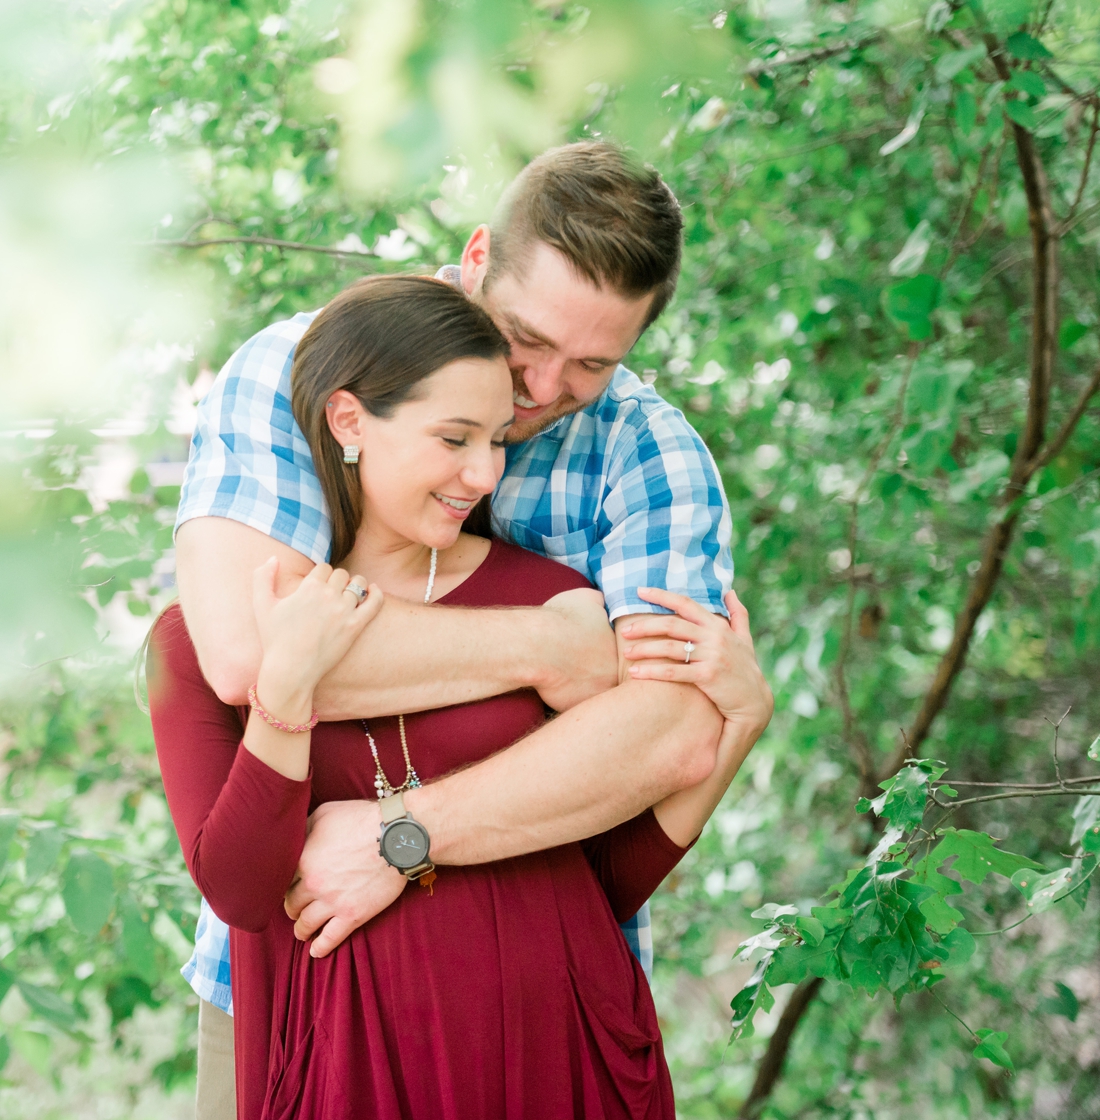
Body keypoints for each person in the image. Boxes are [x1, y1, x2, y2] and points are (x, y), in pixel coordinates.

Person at [170, 140, 773, 1119]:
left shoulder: (647, 455)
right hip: (289, 994)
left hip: (547, 1008)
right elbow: (247, 652)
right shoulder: (297, 370)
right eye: (526, 337)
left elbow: (669, 732)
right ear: (478, 254)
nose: (539, 386)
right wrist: (556, 649)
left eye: (593, 362)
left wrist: (401, 838)